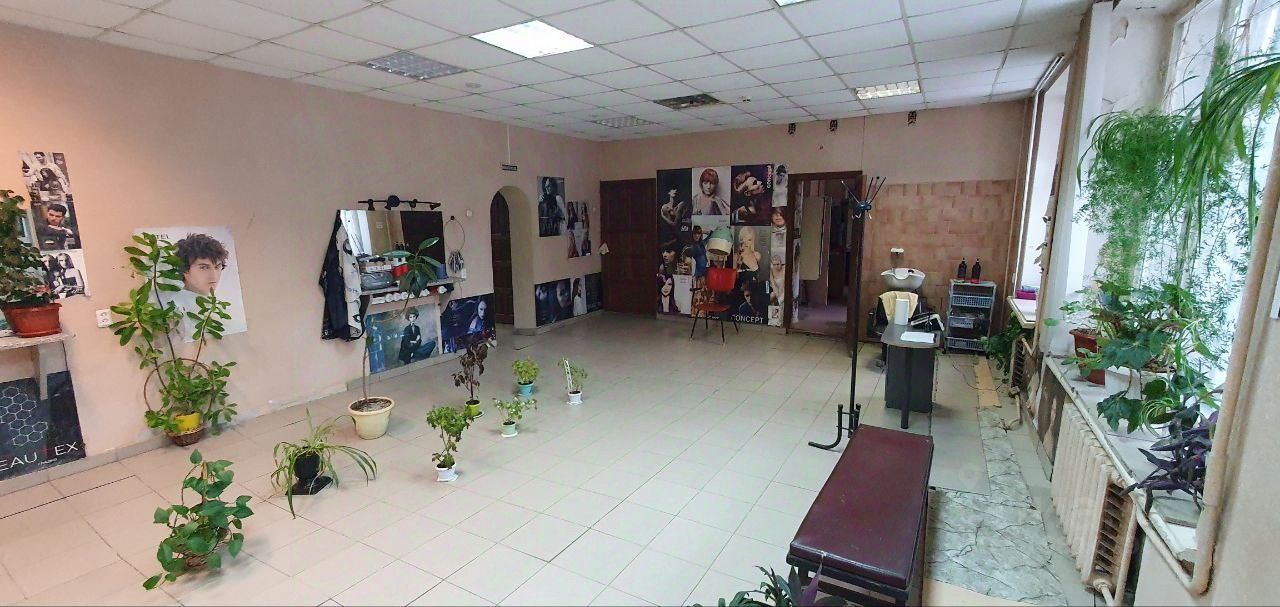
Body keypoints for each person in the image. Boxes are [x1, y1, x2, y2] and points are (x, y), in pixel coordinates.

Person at [166, 233, 230, 340]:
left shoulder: (219, 307)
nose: (214, 276)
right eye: (204, 267)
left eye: (217, 267)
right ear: (184, 269)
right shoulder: (174, 310)